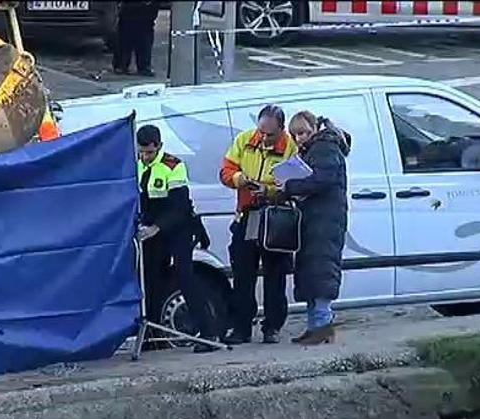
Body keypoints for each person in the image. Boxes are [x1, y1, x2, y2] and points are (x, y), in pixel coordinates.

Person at [136, 125, 218, 353]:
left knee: (185, 277)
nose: (145, 156)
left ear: (159, 146)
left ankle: (208, 330)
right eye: (142, 152)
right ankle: (151, 337)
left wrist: (156, 227)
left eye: (150, 152)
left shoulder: (173, 166)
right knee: (150, 280)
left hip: (177, 227)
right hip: (152, 229)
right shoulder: (137, 164)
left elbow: (179, 206)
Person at [219, 105, 297, 344]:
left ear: (282, 130)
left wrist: (270, 190)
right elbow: (225, 170)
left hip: (275, 216)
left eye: (270, 135)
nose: (263, 139)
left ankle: (272, 327)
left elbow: (296, 183)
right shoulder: (244, 140)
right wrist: (238, 179)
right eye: (261, 132)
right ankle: (241, 327)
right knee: (243, 275)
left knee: (275, 275)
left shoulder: (291, 148)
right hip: (247, 215)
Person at [282, 111, 351, 345]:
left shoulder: (325, 148)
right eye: (294, 135)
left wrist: (291, 186)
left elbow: (321, 180)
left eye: (302, 133)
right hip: (317, 218)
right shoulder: (317, 149)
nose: (298, 138)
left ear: (314, 129)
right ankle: (316, 326)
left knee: (321, 270)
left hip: (324, 220)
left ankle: (322, 325)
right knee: (312, 271)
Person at [112, 1, 160, 77]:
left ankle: (125, 65)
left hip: (141, 13)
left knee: (139, 36)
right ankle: (124, 64)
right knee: (129, 36)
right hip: (133, 13)